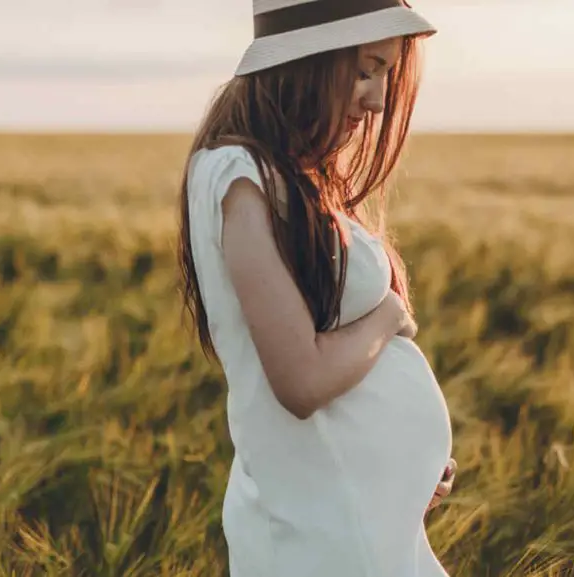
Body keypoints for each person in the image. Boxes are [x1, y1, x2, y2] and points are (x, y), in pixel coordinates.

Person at [177, 1, 456, 575]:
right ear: (308, 60)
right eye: (365, 69)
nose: (378, 98)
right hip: (328, 538)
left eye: (384, 74)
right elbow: (300, 380)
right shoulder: (239, 176)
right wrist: (388, 317)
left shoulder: (289, 173)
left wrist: (399, 470)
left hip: (356, 516)